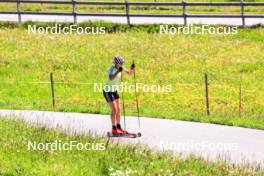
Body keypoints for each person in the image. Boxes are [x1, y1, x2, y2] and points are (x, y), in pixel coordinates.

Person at [103, 56, 135, 135]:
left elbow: (129, 73)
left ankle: (119, 127)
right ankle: (114, 129)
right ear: (115, 63)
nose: (120, 65)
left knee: (119, 109)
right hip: (107, 91)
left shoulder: (121, 67)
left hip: (114, 90)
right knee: (114, 110)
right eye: (119, 64)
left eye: (122, 64)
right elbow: (110, 78)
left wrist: (132, 68)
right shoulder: (111, 69)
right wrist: (117, 71)